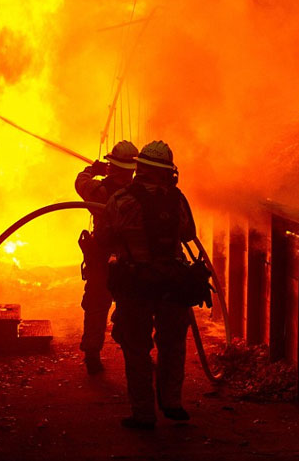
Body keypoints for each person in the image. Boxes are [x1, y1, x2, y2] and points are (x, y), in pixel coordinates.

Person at [100, 140, 196, 429]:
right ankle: (173, 403)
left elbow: (106, 235)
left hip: (135, 285)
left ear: (140, 168)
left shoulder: (121, 200)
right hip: (172, 284)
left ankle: (143, 413)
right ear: (168, 172)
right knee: (173, 345)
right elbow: (188, 234)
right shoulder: (178, 200)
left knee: (136, 349)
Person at [75, 140, 138, 375]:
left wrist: (92, 169)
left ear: (111, 166)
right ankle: (136, 354)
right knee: (132, 307)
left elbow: (80, 182)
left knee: (96, 306)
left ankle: (92, 354)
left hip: (102, 259)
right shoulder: (138, 194)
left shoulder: (99, 192)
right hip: (131, 261)